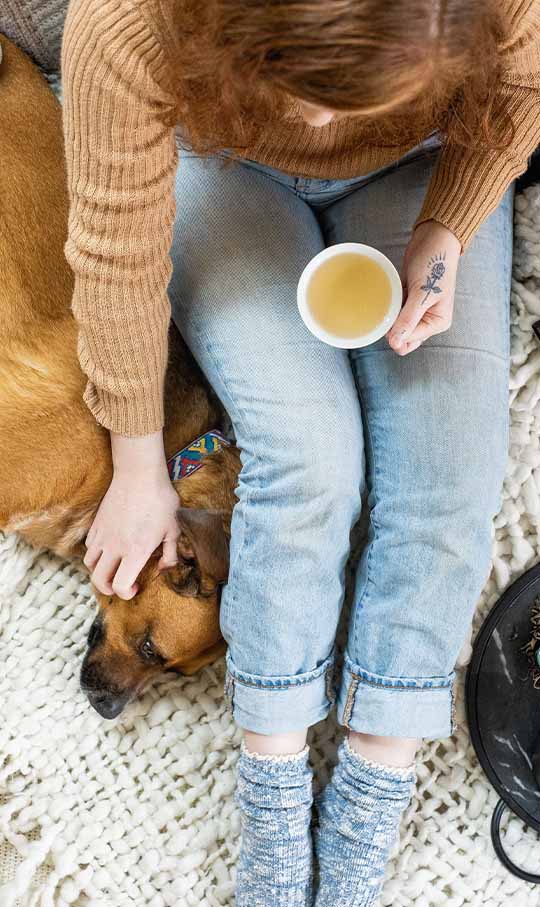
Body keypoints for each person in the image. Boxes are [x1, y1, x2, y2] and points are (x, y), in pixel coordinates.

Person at [60, 0, 540, 904]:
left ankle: (367, 800)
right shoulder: (129, 22)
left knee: (450, 478)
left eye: (355, 96)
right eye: (301, 89)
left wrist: (447, 229)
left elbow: (516, 93)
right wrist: (134, 463)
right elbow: (115, 251)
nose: (321, 126)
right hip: (219, 166)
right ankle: (274, 810)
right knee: (309, 459)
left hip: (423, 168)